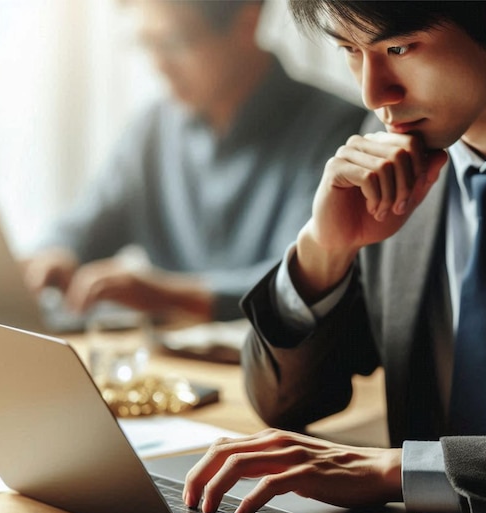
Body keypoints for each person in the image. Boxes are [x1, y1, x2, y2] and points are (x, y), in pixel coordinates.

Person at [183, 0, 486, 513]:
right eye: (349, 51)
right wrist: (324, 249)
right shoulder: (392, 147)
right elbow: (283, 400)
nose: (373, 93)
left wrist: (400, 471)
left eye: (399, 48)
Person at [22, 0, 366, 321]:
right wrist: (56, 255)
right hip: (165, 372)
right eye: (146, 43)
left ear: (248, 22)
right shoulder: (152, 129)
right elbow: (84, 225)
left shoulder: (339, 132)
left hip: (273, 373)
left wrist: (167, 295)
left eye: (174, 42)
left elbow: (305, 277)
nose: (158, 65)